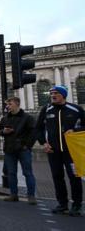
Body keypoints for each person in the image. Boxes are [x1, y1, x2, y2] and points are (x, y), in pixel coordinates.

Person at [36, 85, 85, 216]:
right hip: (53, 151)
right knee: (57, 177)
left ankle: (76, 204)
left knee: (74, 177)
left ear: (63, 95)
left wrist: (75, 130)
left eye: (56, 93)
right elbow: (38, 128)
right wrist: (43, 143)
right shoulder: (46, 110)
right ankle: (62, 203)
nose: (52, 95)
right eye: (51, 93)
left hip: (71, 151)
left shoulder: (76, 109)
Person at [0, 97, 37, 204]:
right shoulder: (5, 118)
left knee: (28, 173)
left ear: (17, 104)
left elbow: (33, 133)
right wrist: (4, 131)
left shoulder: (28, 117)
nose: (7, 106)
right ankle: (13, 194)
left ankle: (31, 195)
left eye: (10, 104)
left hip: (23, 150)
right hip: (9, 149)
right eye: (7, 104)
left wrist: (27, 146)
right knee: (11, 173)